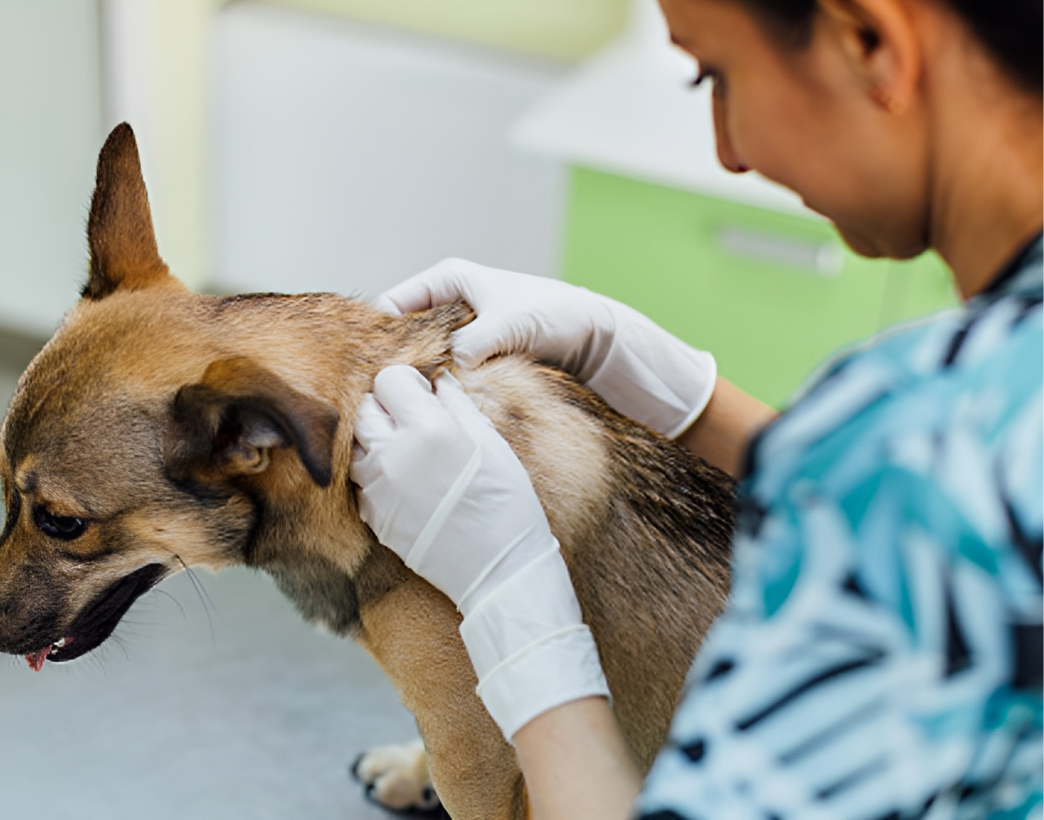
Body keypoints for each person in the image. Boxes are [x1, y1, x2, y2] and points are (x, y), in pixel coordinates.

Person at [349, 0, 1044, 817]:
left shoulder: (915, 446)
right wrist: (691, 399)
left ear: (869, 40)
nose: (730, 150)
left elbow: (923, 485)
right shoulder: (966, 425)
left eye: (716, 74)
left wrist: (514, 605)